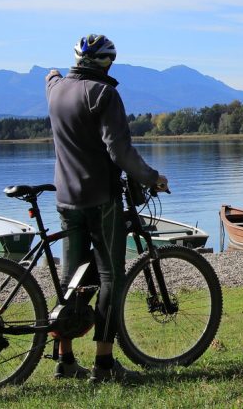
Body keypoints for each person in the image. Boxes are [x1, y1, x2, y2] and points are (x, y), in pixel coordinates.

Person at [46, 34, 168, 382]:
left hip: (65, 199)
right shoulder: (105, 94)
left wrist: (52, 75)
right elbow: (120, 152)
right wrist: (152, 177)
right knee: (110, 278)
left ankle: (66, 360)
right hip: (101, 198)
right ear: (108, 63)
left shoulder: (55, 91)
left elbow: (51, 78)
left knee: (72, 278)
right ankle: (103, 363)